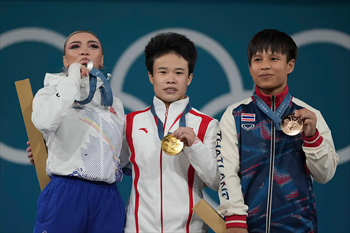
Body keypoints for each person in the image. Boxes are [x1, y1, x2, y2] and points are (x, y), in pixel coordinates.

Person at [216, 29, 339, 233]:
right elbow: (226, 170)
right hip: (247, 227)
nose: (265, 66)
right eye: (258, 59)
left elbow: (325, 174)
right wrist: (235, 218)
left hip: (300, 227)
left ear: (290, 65)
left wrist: (312, 138)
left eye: (273, 58)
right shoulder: (235, 114)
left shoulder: (309, 115)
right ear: (249, 67)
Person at [120, 32, 220, 232]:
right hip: (138, 228)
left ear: (189, 77)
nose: (171, 80)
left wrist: (195, 146)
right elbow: (108, 166)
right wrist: (53, 151)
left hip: (189, 228)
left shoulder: (207, 125)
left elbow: (217, 181)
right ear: (151, 76)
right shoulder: (130, 122)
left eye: (179, 73)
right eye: (163, 72)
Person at [30, 30, 125, 232]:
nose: (84, 52)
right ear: (66, 60)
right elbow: (45, 123)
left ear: (102, 59)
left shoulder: (114, 103)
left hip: (108, 198)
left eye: (93, 46)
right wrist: (73, 77)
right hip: (66, 191)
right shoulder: (48, 92)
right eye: (75, 47)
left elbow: (121, 157)